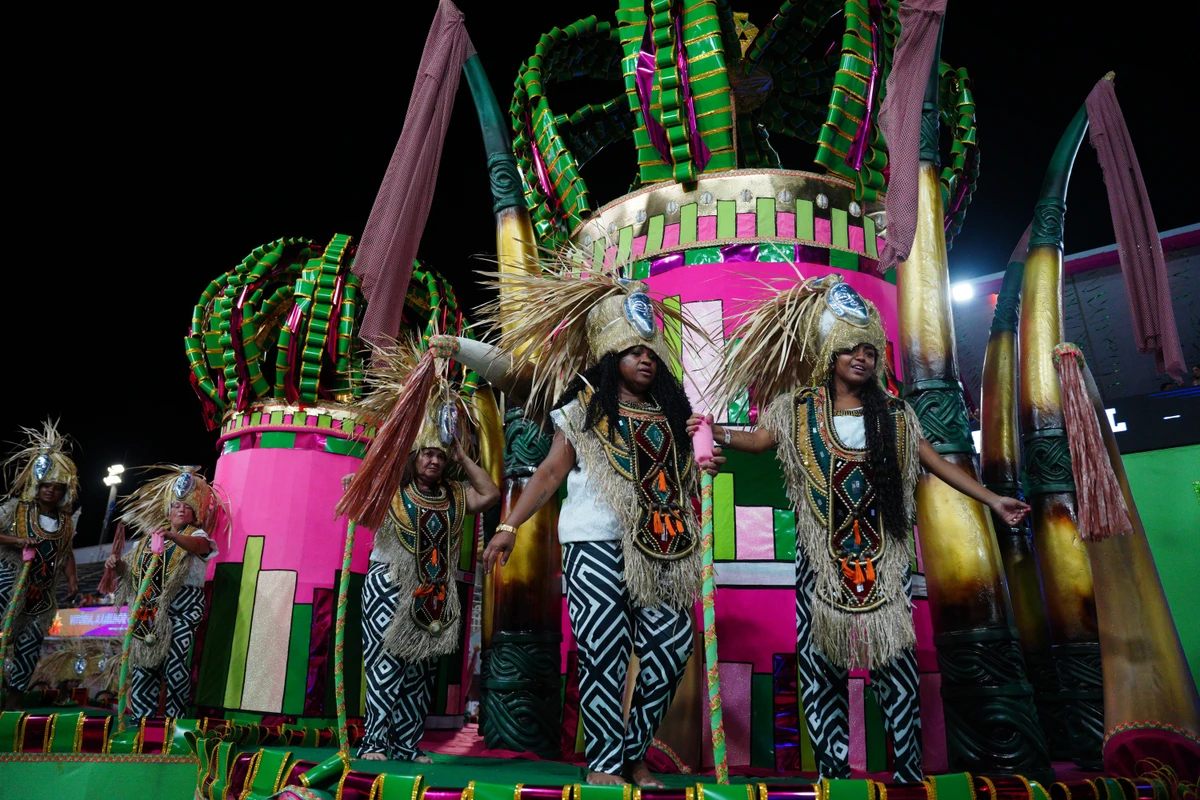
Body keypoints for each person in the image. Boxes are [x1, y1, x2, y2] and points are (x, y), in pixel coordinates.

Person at [691, 274, 1029, 783]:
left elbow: (937, 464)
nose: (861, 357)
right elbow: (760, 441)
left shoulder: (897, 416)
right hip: (818, 561)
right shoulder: (796, 409)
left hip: (882, 561)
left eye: (869, 350)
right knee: (821, 668)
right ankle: (835, 774)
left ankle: (907, 773)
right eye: (850, 349)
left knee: (895, 668)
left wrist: (993, 499)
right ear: (829, 352)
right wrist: (713, 432)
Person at [437, 270, 721, 787]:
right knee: (603, 653)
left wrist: (707, 458)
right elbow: (548, 473)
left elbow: (686, 472)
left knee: (672, 645)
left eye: (651, 353)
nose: (645, 359)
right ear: (612, 356)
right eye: (633, 351)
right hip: (592, 544)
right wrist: (508, 525)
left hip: (658, 545)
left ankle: (634, 753)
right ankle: (608, 763)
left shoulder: (672, 412)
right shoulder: (583, 407)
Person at [340, 340, 501, 763]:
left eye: (438, 455)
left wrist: (461, 454)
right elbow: (373, 471)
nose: (432, 461)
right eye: (426, 453)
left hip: (432, 596)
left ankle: (406, 746)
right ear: (413, 457)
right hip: (388, 588)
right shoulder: (390, 490)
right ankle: (375, 744)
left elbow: (490, 492)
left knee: (420, 673)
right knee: (385, 668)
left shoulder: (453, 495)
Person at [107, 466, 221, 720]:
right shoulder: (148, 541)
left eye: (187, 507)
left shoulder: (197, 535)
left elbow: (199, 547)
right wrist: (118, 564)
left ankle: (174, 720)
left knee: (176, 662)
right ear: (168, 510)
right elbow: (135, 574)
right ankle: (142, 720)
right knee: (146, 662)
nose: (181, 510)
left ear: (195, 514)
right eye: (176, 505)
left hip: (186, 605)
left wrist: (173, 536)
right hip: (153, 607)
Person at [0, 421, 80, 710]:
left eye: (57, 488)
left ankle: (12, 705)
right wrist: (17, 540)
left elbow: (67, 551)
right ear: (38, 486)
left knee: (29, 647)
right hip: (8, 581)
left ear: (63, 493)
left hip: (42, 593)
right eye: (46, 485)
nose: (50, 491)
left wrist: (72, 580)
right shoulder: (16, 508)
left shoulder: (66, 521)